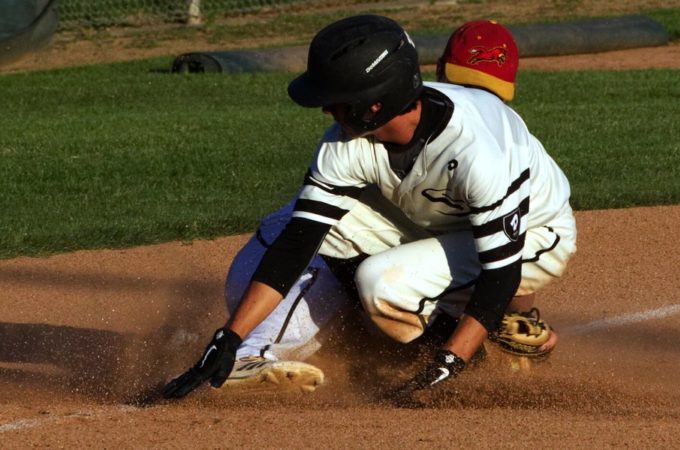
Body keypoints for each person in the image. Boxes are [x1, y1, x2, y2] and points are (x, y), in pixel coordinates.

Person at [163, 15, 576, 402]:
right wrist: (230, 337)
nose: (327, 110)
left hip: (534, 233)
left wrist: (451, 361)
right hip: (428, 216)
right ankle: (255, 353)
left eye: (336, 101)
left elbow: (501, 271)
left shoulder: (477, 152)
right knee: (281, 228)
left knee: (381, 284)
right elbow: (297, 244)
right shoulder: (346, 143)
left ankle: (471, 342)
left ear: (374, 104)